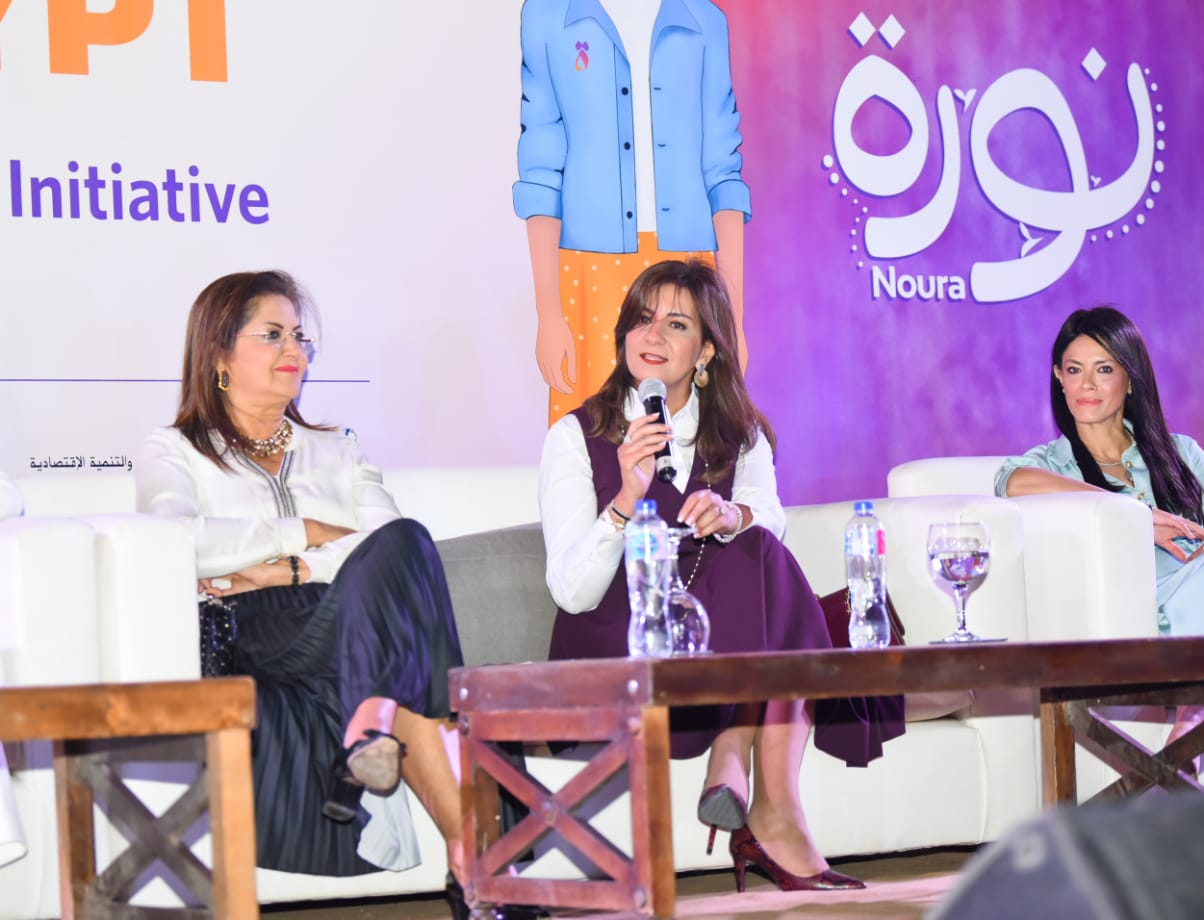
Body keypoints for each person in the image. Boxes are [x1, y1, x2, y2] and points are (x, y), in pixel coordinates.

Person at [135, 271, 536, 920]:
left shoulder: (338, 449)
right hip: (253, 632)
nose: (293, 348)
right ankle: (479, 862)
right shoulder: (175, 450)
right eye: (272, 334)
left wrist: (286, 569)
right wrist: (307, 532)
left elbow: (384, 545)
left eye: (300, 336)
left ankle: (460, 849)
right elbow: (178, 540)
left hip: (341, 622)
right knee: (407, 653)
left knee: (407, 541)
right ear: (218, 355)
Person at [538, 259, 904, 891]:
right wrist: (624, 502)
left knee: (757, 547)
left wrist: (732, 514)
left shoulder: (740, 435)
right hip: (620, 638)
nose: (652, 336)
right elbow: (572, 593)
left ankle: (759, 784)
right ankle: (741, 767)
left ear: (706, 350)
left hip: (714, 639)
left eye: (676, 324)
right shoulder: (576, 435)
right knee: (760, 566)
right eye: (642, 319)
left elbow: (768, 518)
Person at [996, 305, 1204, 740]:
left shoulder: (1181, 453)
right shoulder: (1051, 465)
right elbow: (1012, 482)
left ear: (1130, 379)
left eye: (1104, 369)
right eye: (1074, 370)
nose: (1087, 384)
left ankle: (1194, 721)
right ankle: (1192, 727)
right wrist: (1136, 514)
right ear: (1059, 378)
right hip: (1147, 617)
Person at [515, 0, 750, 424]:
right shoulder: (549, 16)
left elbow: (723, 171)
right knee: (593, 437)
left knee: (686, 437)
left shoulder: (705, 21)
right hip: (588, 272)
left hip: (687, 270)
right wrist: (548, 312)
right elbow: (542, 170)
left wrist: (733, 317)